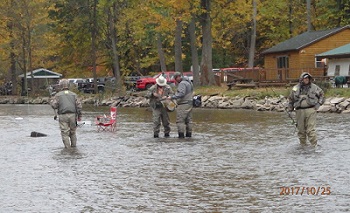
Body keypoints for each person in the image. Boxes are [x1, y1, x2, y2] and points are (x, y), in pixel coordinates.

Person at [287, 72, 325, 147]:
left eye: (308, 78)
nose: (306, 80)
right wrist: (289, 110)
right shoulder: (295, 88)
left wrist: (318, 104)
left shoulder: (315, 87)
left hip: (311, 110)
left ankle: (314, 146)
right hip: (299, 111)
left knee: (310, 130)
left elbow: (322, 96)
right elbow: (291, 100)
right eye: (305, 78)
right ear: (301, 79)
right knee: (301, 130)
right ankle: (303, 147)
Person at [50, 79, 82, 149]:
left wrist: (51, 102)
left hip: (63, 116)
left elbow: (54, 106)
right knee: (73, 132)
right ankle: (74, 148)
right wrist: (79, 116)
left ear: (61, 86)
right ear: (68, 85)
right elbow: (79, 106)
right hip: (73, 116)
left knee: (65, 133)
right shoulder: (74, 95)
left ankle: (68, 149)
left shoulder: (58, 95)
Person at [168, 72, 194, 138]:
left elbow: (181, 94)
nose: (176, 80)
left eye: (175, 78)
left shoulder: (182, 83)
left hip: (183, 104)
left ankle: (181, 136)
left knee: (180, 121)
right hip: (190, 104)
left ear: (178, 77)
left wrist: (172, 97)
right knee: (189, 121)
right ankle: (189, 135)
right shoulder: (189, 82)